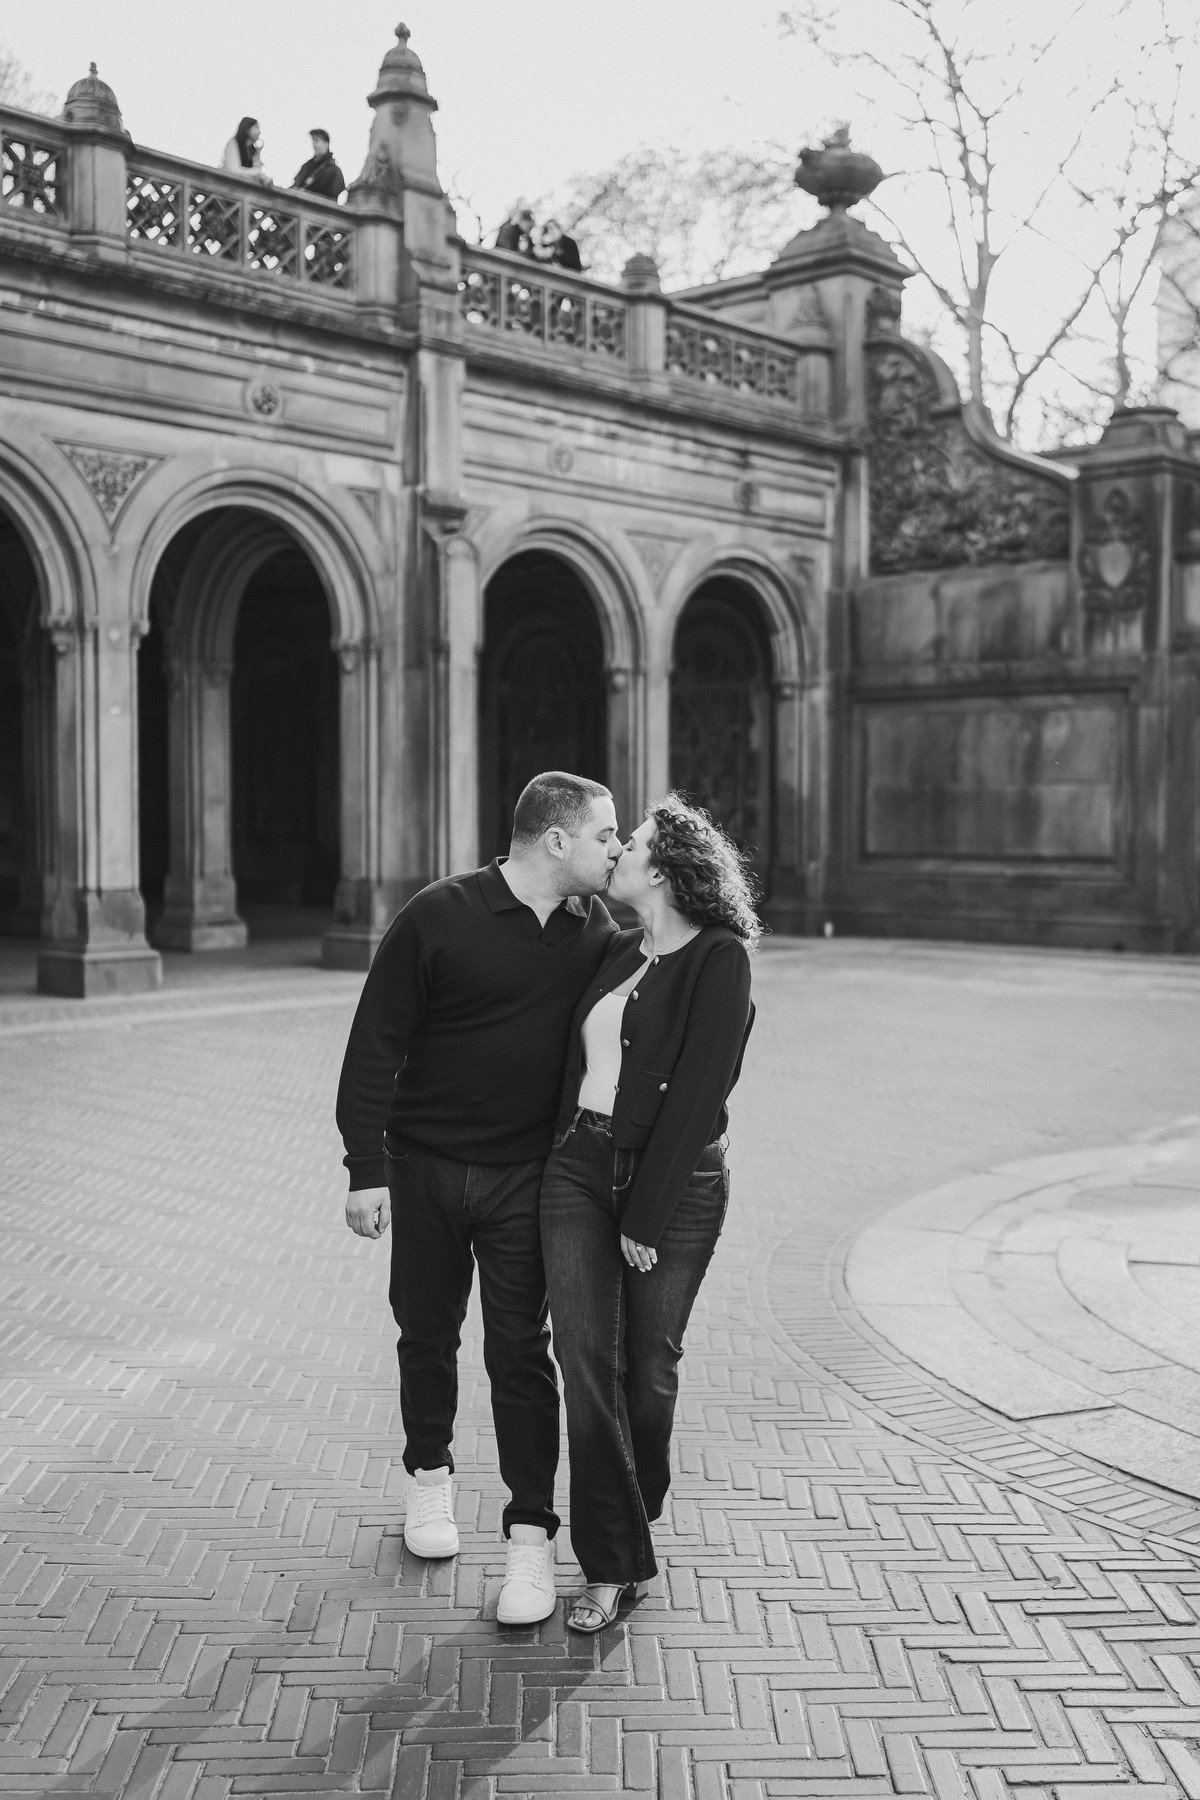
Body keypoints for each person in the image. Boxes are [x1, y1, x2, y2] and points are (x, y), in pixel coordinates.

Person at [336, 772, 620, 1626]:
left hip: (526, 1177)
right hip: (423, 1168)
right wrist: (364, 1168)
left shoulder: (595, 931)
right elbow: (373, 1044)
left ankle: (530, 1541)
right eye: (605, 834)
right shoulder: (437, 914)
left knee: (520, 1355)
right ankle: (429, 1477)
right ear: (557, 840)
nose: (615, 848)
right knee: (426, 1332)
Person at [540, 795, 758, 1633]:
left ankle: (633, 1517)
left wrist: (645, 1214)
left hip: (676, 1185)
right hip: (577, 1169)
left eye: (628, 842)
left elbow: (701, 1094)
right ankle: (610, 1561)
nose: (616, 851)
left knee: (649, 1369)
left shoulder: (719, 957)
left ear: (663, 868)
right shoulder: (616, 947)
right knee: (586, 1360)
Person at [292, 129, 346, 201]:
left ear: (326, 144)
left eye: (317, 140)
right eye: (313, 141)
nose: (314, 145)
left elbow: (332, 198)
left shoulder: (335, 171)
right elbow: (295, 187)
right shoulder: (306, 166)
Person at [222, 116, 271, 184]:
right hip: (227, 184)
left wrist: (258, 154)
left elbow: (256, 173)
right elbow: (234, 170)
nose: (259, 132)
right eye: (256, 127)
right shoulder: (233, 143)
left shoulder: (253, 150)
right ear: (247, 129)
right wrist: (257, 173)